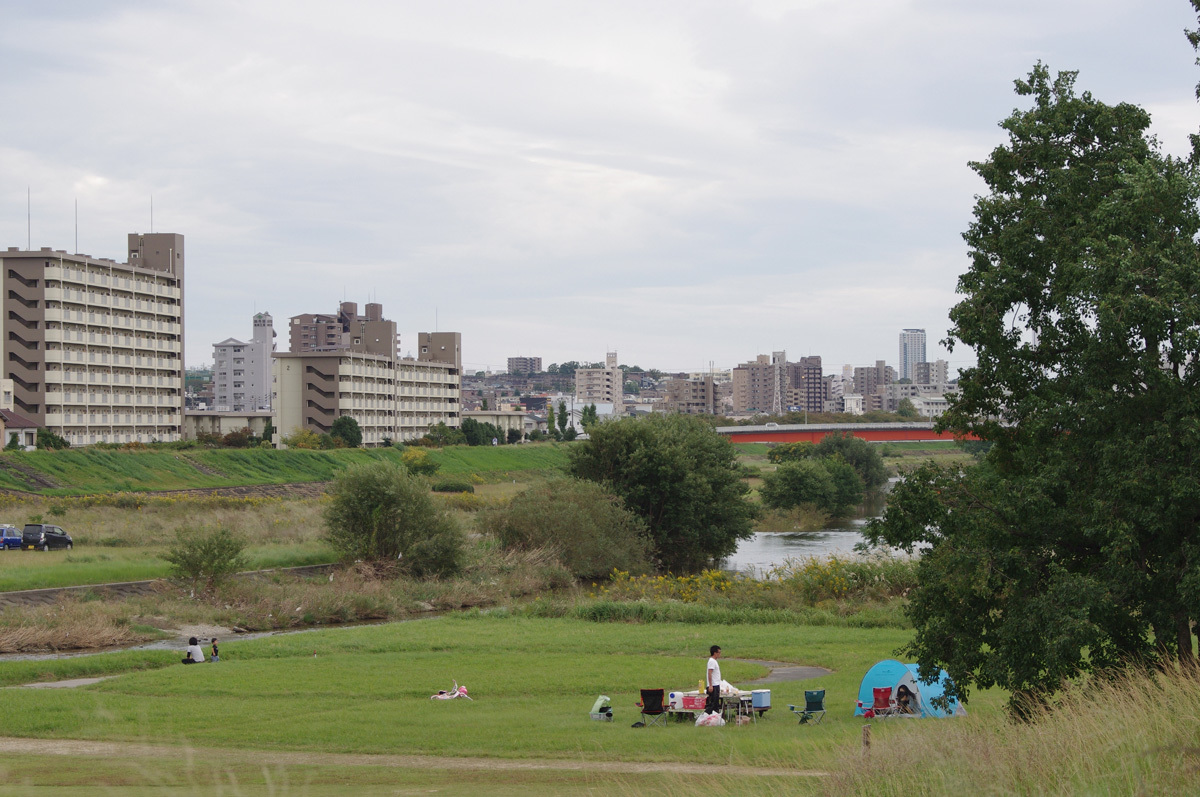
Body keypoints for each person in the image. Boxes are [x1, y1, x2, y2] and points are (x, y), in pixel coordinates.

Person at [704, 645, 722, 715]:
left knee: (716, 704)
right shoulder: (712, 661)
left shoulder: (714, 661)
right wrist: (710, 685)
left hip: (716, 684)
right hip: (713, 685)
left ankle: (715, 717)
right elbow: (710, 673)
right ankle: (705, 715)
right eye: (719, 652)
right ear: (715, 653)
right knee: (713, 704)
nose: (720, 654)